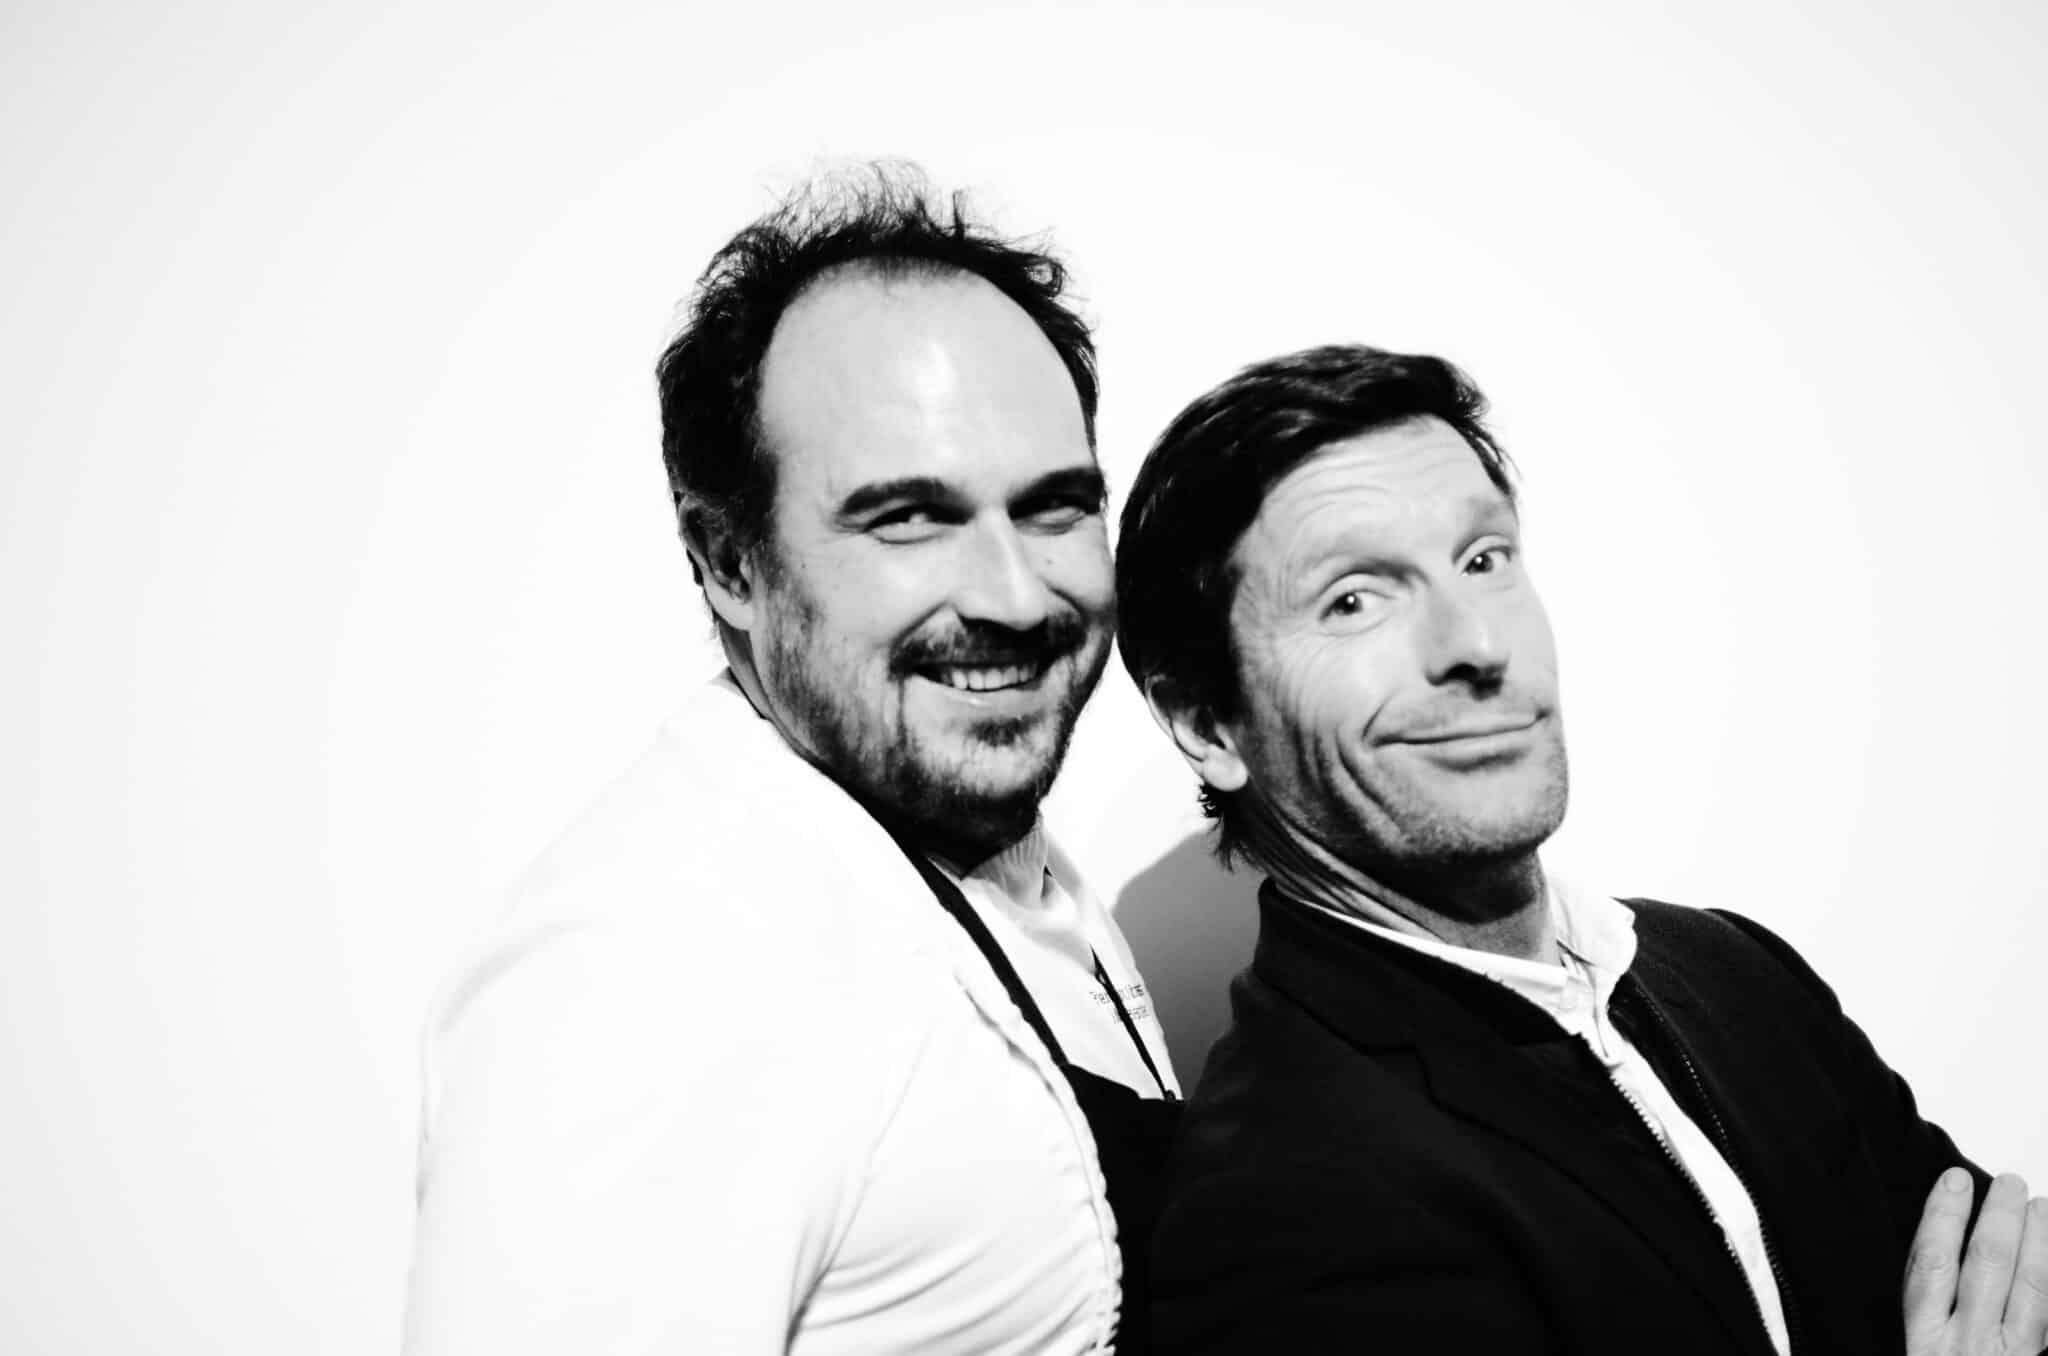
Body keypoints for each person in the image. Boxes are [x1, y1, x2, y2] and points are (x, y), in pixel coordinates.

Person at [1114, 343, 2048, 1354]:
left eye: (1484, 560)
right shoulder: (1281, 1200)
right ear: (1207, 723)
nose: (1477, 645)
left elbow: (2012, 1280)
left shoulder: (1733, 970)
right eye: (1353, 599)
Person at [401, 169, 1179, 1355]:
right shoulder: (650, 973)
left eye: (1052, 508)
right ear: (729, 561)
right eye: (907, 517)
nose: (1017, 596)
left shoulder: (954, 827)